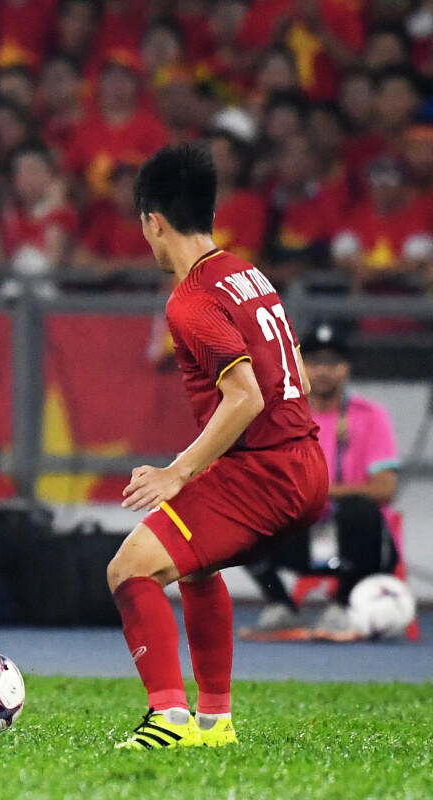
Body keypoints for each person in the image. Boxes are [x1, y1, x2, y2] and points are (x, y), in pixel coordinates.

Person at [108, 143, 328, 750]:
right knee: (194, 568)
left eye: (143, 224)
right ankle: (214, 723)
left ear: (153, 221)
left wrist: (179, 471)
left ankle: (168, 719)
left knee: (129, 568)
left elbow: (246, 397)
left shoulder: (191, 301)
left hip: (266, 473)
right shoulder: (246, 272)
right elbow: (297, 379)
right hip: (303, 460)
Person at [241, 323, 400, 642]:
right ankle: (281, 607)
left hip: (351, 538)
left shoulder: (369, 415)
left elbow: (385, 489)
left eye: (333, 362)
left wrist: (321, 491)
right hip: (299, 533)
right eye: (314, 361)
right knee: (242, 511)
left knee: (360, 510)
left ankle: (342, 607)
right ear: (300, 366)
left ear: (346, 369)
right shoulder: (280, 416)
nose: (323, 371)